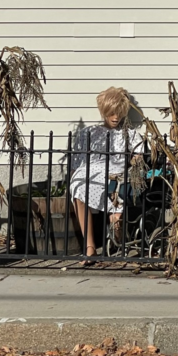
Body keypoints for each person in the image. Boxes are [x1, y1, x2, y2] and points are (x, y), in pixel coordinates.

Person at [69, 86, 143, 260]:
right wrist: (73, 175)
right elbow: (77, 161)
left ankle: (117, 227)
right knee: (78, 186)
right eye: (111, 113)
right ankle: (89, 247)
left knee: (117, 186)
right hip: (90, 173)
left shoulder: (130, 135)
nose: (115, 117)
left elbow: (139, 157)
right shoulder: (89, 132)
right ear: (104, 112)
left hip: (115, 174)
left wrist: (135, 159)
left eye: (119, 112)